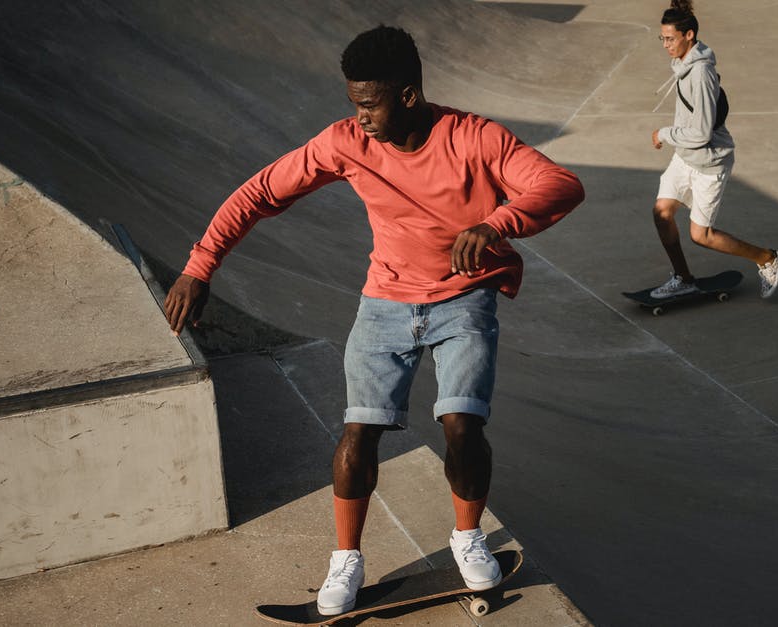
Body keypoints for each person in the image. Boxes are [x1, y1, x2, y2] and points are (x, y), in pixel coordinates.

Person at [162, 25, 584, 616]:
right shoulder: (343, 143)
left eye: (369, 104)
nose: (359, 117)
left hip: (465, 298)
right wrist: (199, 267)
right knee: (360, 430)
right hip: (384, 301)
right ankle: (346, 561)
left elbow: (560, 184)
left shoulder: (474, 137)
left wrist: (495, 224)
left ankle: (467, 539)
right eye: (353, 104)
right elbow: (260, 192)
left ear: (408, 95)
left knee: (462, 422)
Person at [649, 0, 778, 299]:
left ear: (689, 35)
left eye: (670, 38)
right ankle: (683, 278)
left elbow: (700, 132)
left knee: (702, 235)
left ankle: (767, 258)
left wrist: (665, 133)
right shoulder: (684, 62)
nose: (665, 45)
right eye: (663, 38)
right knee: (662, 213)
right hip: (685, 158)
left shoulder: (701, 74)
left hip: (709, 162)